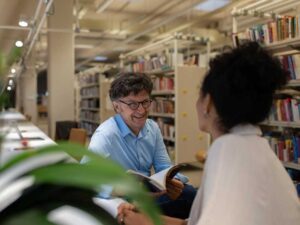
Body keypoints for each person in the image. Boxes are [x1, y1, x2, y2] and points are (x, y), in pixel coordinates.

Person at [117, 41, 300, 225]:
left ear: (208, 103)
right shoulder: (254, 146)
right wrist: (146, 218)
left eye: (199, 94)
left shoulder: (227, 149)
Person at [81, 72, 196, 219]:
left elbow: (164, 167)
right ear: (117, 107)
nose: (141, 110)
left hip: (148, 193)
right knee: (188, 199)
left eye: (145, 102)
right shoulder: (105, 136)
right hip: (123, 198)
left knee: (190, 193)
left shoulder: (152, 128)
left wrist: (175, 181)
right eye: (133, 104)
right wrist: (118, 189)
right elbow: (85, 179)